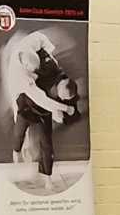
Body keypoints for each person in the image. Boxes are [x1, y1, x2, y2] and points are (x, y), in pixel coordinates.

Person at [7, 27, 81, 178]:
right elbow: (42, 100)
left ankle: (47, 177)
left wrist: (50, 51)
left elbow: (40, 38)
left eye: (37, 68)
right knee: (18, 133)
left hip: (44, 111)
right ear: (26, 67)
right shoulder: (21, 78)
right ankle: (17, 152)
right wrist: (63, 108)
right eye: (32, 70)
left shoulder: (35, 46)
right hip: (27, 104)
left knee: (46, 143)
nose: (35, 73)